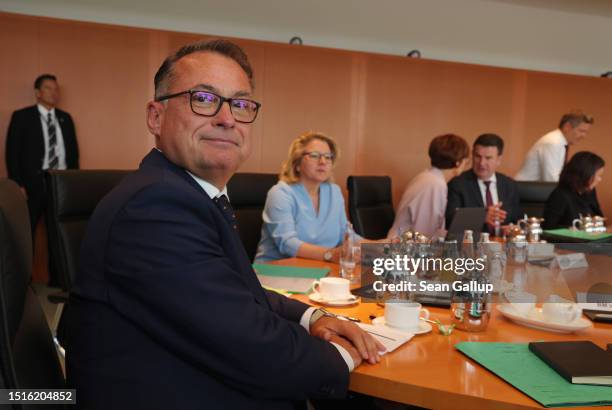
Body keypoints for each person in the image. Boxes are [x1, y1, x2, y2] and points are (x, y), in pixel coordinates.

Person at [66, 39, 383, 410]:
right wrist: (343, 357)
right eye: (203, 98)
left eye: (241, 103)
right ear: (155, 116)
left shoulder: (188, 193)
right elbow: (258, 351)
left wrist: (311, 316)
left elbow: (234, 294)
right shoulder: (155, 207)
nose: (227, 118)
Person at [255, 131, 358, 263]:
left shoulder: (334, 192)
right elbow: (287, 244)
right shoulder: (280, 193)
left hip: (320, 270)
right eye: (315, 156)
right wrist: (330, 255)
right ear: (297, 164)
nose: (323, 162)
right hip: (276, 271)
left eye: (328, 157)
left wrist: (380, 245)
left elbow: (346, 235)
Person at [5, 74, 80, 234]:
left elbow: (73, 154)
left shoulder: (65, 118)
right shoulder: (22, 117)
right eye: (48, 88)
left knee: (60, 233)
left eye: (56, 89)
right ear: (38, 92)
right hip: (33, 184)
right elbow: (12, 153)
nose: (53, 92)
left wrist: (73, 182)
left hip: (61, 183)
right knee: (27, 230)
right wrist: (18, 184)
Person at [387, 133, 469, 238]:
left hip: (411, 245)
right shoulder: (434, 184)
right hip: (406, 250)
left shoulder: (429, 177)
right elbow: (425, 233)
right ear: (458, 163)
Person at [446, 133, 522, 233]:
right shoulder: (458, 184)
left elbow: (518, 220)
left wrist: (512, 228)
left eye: (488, 158)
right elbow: (450, 221)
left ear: (498, 160)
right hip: (472, 246)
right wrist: (481, 217)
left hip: (502, 244)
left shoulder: (510, 185)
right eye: (477, 156)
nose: (481, 163)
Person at [515, 110, 594, 182]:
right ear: (567, 127)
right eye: (581, 131)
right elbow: (551, 179)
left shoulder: (559, 142)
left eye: (586, 132)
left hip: (532, 190)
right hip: (526, 192)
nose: (584, 136)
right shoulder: (553, 142)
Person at [542, 151, 605, 229]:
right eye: (599, 176)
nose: (600, 180)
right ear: (586, 174)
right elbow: (547, 228)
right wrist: (568, 229)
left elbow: (600, 219)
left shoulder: (590, 191)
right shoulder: (560, 195)